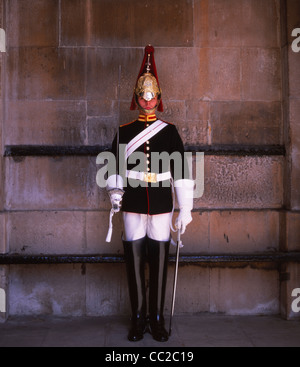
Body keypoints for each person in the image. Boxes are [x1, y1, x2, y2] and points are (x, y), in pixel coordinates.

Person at [106, 45, 194, 342]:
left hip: (159, 203)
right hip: (131, 202)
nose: (147, 100)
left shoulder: (169, 132)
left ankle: (156, 319)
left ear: (159, 98)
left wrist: (186, 208)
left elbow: (180, 172)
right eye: (142, 95)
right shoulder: (124, 131)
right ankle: (138, 317)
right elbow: (114, 165)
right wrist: (115, 191)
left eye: (152, 95)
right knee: (132, 256)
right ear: (136, 97)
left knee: (158, 258)